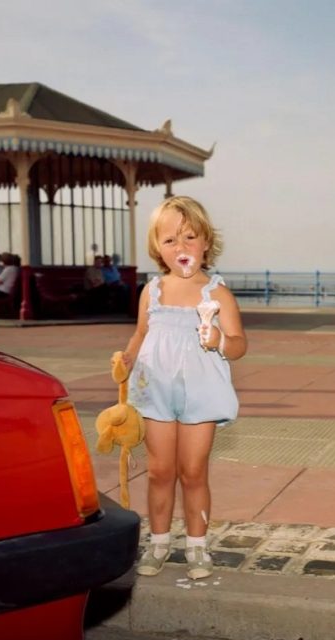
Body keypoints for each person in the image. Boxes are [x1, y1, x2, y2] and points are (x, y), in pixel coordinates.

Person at [122, 196, 247, 579]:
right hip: (155, 391)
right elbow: (142, 334)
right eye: (170, 240)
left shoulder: (218, 294)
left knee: (193, 471)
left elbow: (239, 343)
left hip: (200, 392)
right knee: (160, 471)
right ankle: (158, 542)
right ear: (157, 247)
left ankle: (196, 545)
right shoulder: (152, 291)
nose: (181, 248)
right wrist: (125, 361)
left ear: (206, 242)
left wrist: (219, 341)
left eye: (190, 237)